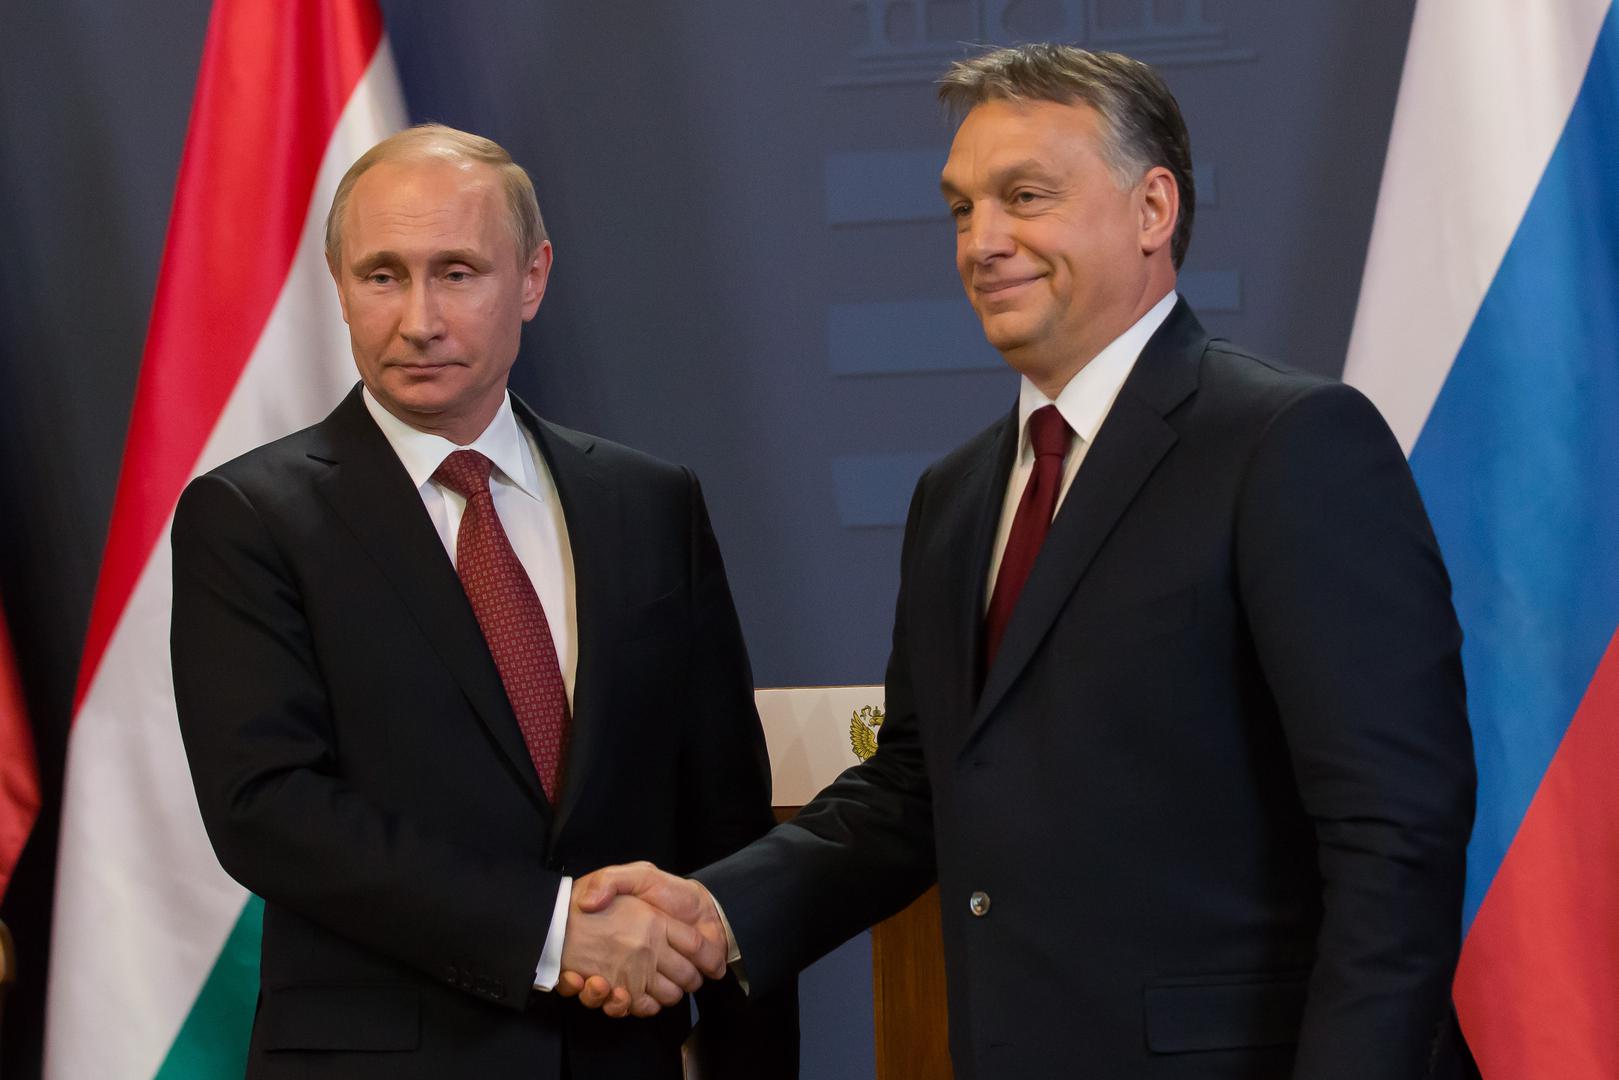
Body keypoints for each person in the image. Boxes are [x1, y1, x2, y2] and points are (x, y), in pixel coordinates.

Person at [562, 45, 1476, 1079]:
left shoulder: (1289, 444)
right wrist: (720, 910)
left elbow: (1393, 831)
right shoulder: (956, 496)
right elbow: (917, 787)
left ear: (1151, 209)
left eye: (1023, 197)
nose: (982, 241)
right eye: (960, 208)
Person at [170, 124, 796, 1079]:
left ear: (533, 279)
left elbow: (724, 819)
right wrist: (550, 932)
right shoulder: (249, 517)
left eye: (457, 271)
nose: (418, 317)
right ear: (338, 283)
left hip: (618, 1060)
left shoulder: (648, 502)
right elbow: (268, 807)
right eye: (383, 275)